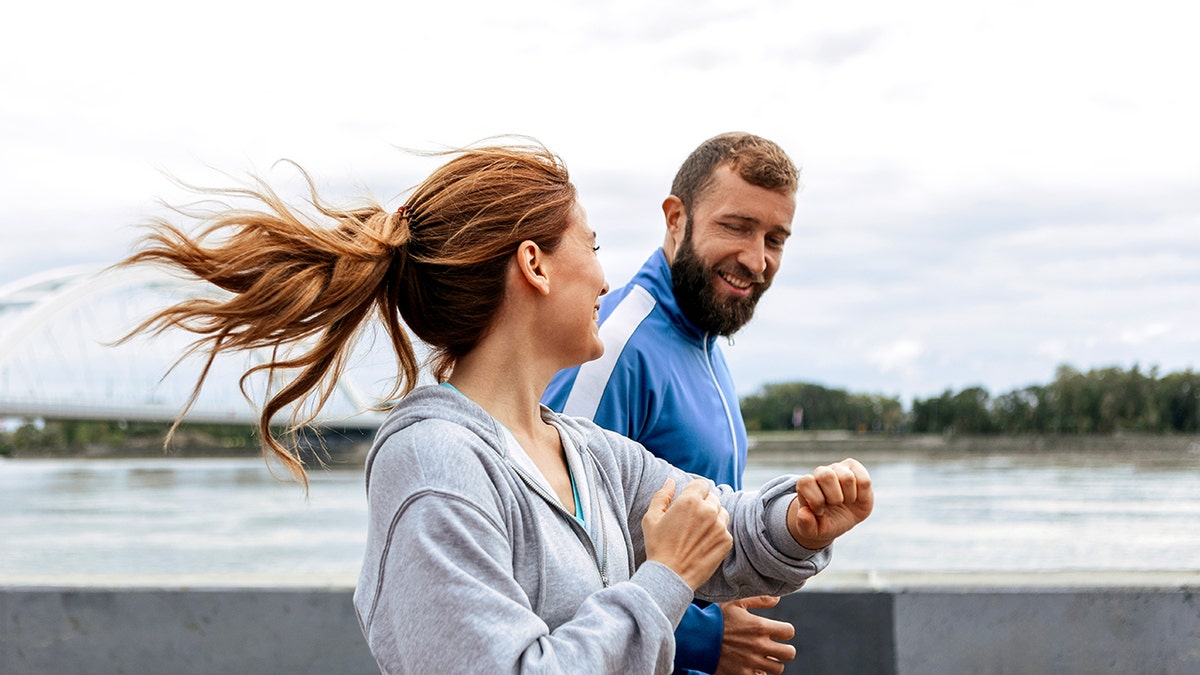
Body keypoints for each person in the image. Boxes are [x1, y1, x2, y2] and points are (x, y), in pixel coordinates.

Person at [121, 141, 873, 674]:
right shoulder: (434, 462)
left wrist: (795, 520)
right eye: (594, 244)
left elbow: (721, 525)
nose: (608, 278)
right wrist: (665, 578)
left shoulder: (585, 450)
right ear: (534, 264)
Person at [544, 132, 801, 675]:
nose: (756, 260)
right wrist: (705, 638)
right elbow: (557, 559)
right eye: (736, 226)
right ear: (676, 218)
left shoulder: (705, 337)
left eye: (775, 239)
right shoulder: (611, 344)